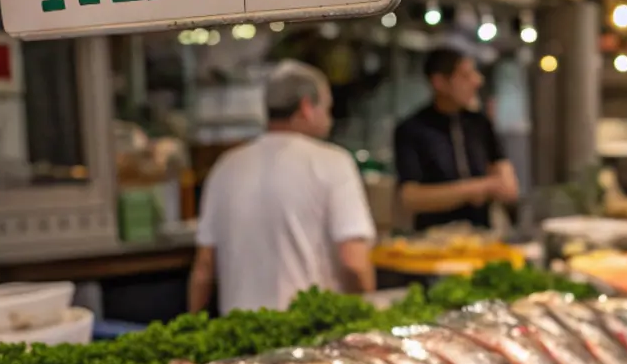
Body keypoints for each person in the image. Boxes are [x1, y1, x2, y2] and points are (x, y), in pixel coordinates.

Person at [189, 61, 376, 314]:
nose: (330, 119)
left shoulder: (226, 166)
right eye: (327, 108)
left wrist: (194, 327)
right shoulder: (333, 163)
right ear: (307, 107)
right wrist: (368, 315)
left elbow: (203, 268)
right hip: (309, 334)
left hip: (239, 330)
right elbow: (354, 262)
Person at [393, 48, 519, 231]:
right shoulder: (412, 128)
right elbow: (410, 197)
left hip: (482, 236)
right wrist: (478, 188)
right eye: (466, 76)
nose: (477, 81)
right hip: (431, 241)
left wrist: (491, 187)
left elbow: (509, 187)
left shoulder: (480, 123)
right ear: (440, 82)